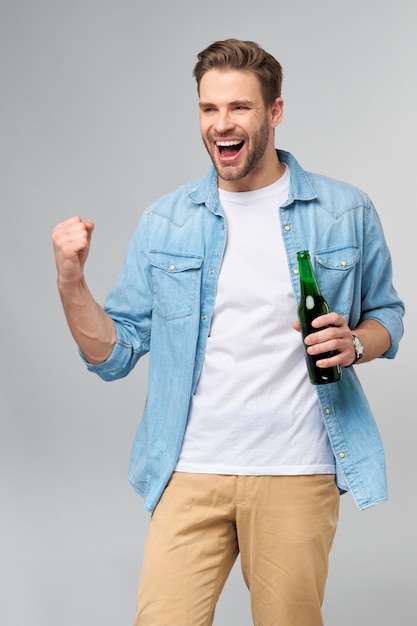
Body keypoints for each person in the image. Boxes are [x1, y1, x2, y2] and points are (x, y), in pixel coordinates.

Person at [52, 39, 404, 626]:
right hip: (189, 470)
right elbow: (112, 354)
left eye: (238, 107)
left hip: (298, 470)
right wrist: (71, 282)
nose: (221, 124)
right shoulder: (167, 220)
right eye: (208, 109)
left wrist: (357, 342)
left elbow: (387, 315)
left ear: (274, 112)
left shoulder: (344, 211)